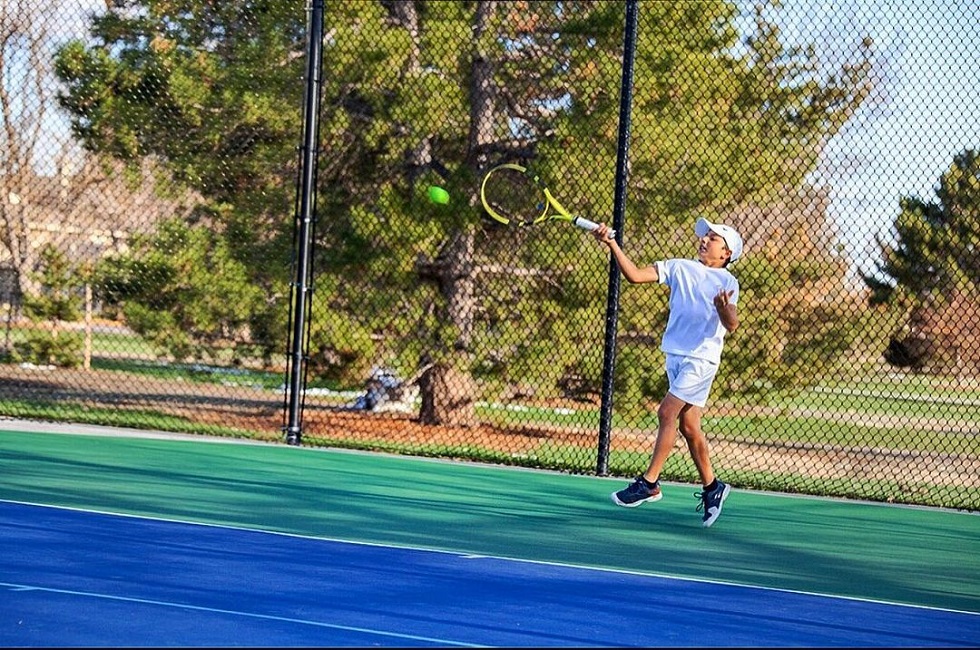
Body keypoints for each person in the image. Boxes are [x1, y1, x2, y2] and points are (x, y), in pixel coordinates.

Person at [592, 217, 743, 527]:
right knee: (689, 427)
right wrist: (611, 244)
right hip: (675, 355)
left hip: (701, 359)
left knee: (666, 412)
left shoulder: (728, 283)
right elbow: (634, 275)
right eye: (705, 236)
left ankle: (649, 483)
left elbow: (732, 324)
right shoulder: (678, 267)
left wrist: (722, 307)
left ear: (726, 253)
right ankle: (713, 486)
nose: (704, 240)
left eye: (713, 239)